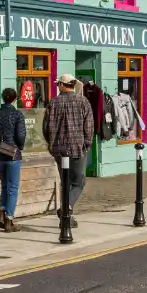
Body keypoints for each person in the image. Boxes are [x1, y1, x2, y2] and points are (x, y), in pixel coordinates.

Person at [42, 74, 94, 215]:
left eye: (58, 84)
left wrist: (51, 143)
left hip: (58, 149)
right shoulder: (83, 102)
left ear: (61, 85)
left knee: (65, 182)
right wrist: (86, 144)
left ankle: (66, 215)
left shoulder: (53, 103)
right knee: (78, 183)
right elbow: (89, 127)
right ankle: (67, 207)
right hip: (77, 148)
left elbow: (45, 128)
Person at [0, 88, 28, 231]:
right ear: (15, 99)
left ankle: (2, 214)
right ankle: (9, 219)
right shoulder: (17, 114)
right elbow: (21, 137)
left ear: (2, 98)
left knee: (4, 185)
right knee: (12, 187)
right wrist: (19, 147)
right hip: (13, 155)